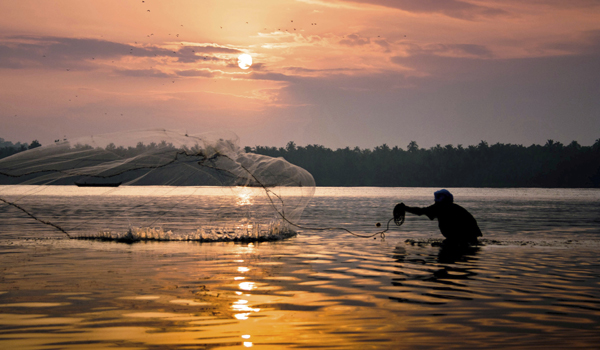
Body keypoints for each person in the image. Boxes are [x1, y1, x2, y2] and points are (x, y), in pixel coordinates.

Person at [394, 189, 482, 245]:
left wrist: (405, 208)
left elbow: (421, 211)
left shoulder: (441, 207)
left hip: (459, 239)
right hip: (471, 238)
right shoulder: (456, 208)